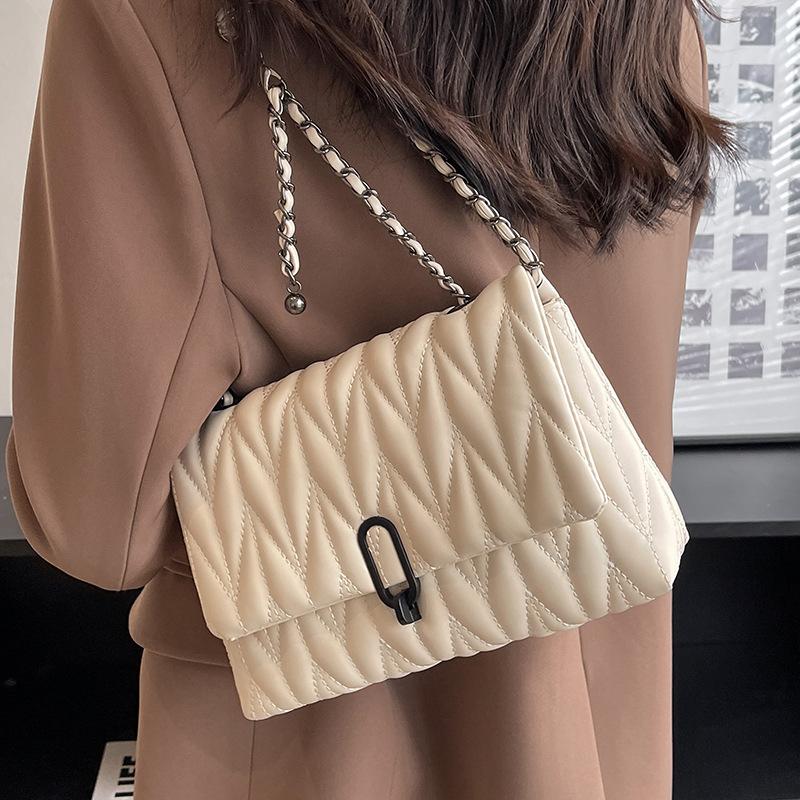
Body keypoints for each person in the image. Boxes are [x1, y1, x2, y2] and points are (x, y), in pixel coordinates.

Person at [6, 1, 733, 797]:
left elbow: (97, 527)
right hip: (597, 724)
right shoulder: (650, 21)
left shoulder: (153, 18)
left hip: (307, 744)